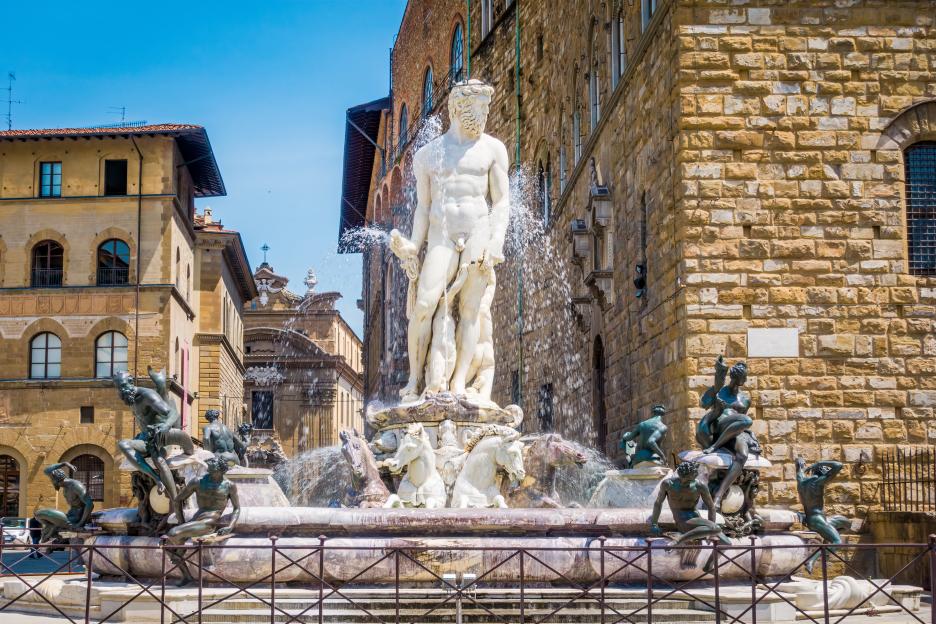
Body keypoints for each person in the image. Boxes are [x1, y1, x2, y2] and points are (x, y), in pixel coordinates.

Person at [389, 79, 510, 403]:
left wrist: (496, 240)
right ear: (459, 107)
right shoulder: (429, 156)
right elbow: (424, 208)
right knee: (424, 305)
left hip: (478, 232)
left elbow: (501, 202)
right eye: (479, 108)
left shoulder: (493, 149)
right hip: (442, 236)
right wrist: (414, 245)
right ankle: (415, 382)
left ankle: (458, 383)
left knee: (470, 310)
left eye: (486, 108)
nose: (484, 114)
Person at [113, 368, 195, 524]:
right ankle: (156, 478)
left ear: (131, 382)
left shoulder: (146, 395)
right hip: (147, 437)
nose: (121, 391)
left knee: (158, 456)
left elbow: (172, 414)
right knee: (123, 444)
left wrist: (164, 427)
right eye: (118, 388)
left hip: (163, 435)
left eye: (123, 386)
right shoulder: (130, 398)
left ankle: (177, 509)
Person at [165, 456, 241, 586]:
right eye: (209, 467)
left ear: (221, 470)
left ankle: (180, 556)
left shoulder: (229, 485)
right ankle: (187, 576)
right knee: (167, 544)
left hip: (210, 522)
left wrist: (230, 526)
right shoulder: (197, 482)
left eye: (213, 467)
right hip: (198, 519)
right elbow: (177, 500)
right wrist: (181, 522)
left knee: (172, 534)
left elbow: (237, 508)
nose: (209, 469)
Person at [697, 357, 761, 508]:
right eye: (743, 377)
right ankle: (715, 446)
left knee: (743, 455)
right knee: (747, 420)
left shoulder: (745, 399)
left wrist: (749, 435)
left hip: (735, 433)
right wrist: (715, 386)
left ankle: (719, 495)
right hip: (720, 427)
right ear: (736, 377)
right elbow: (703, 404)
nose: (745, 380)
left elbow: (741, 424)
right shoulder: (720, 392)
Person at [650, 462, 730, 570]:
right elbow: (658, 503)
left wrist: (710, 532)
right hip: (682, 520)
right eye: (683, 479)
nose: (685, 482)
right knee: (715, 528)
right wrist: (654, 523)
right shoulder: (667, 484)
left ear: (694, 476)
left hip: (696, 519)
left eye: (689, 480)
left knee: (726, 543)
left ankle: (708, 566)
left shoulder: (699, 485)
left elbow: (711, 507)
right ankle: (677, 541)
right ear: (679, 475)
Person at [796, 457, 850, 573]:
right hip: (817, 520)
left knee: (846, 523)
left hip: (814, 518)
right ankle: (811, 560)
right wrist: (818, 463)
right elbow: (838, 465)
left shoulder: (801, 482)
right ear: (823, 473)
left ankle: (827, 540)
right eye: (827, 472)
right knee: (837, 542)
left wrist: (800, 464)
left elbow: (799, 469)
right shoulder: (818, 482)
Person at [34, 463, 93, 545]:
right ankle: (51, 529)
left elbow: (89, 504)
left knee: (40, 513)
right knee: (40, 517)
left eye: (51, 480)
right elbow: (47, 470)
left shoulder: (75, 485)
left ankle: (60, 528)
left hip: (75, 519)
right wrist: (65, 463)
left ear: (55, 480)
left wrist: (80, 523)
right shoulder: (65, 486)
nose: (51, 482)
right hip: (69, 516)